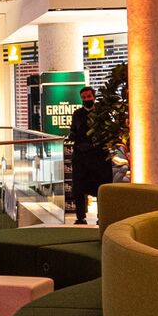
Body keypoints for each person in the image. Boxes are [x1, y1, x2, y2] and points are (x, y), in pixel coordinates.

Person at [65, 86, 111, 224]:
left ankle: (101, 217)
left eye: (89, 97)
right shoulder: (77, 114)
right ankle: (80, 217)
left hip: (99, 156)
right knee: (78, 185)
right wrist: (72, 136)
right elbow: (74, 130)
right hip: (81, 155)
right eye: (84, 98)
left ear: (94, 97)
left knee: (101, 186)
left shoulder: (102, 113)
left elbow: (107, 132)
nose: (86, 99)